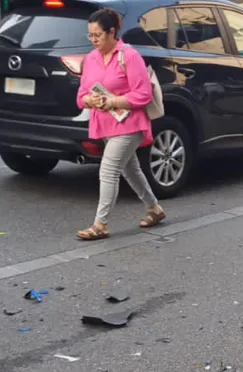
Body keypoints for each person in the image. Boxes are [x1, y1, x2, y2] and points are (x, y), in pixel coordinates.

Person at [74, 8, 166, 241]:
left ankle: (100, 224)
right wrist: (89, 100)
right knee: (130, 169)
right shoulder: (91, 58)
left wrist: (114, 100)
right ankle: (154, 209)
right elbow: (81, 95)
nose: (93, 40)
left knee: (109, 170)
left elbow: (143, 94)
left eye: (98, 35)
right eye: (90, 35)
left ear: (112, 32)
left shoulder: (129, 55)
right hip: (106, 123)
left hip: (130, 123)